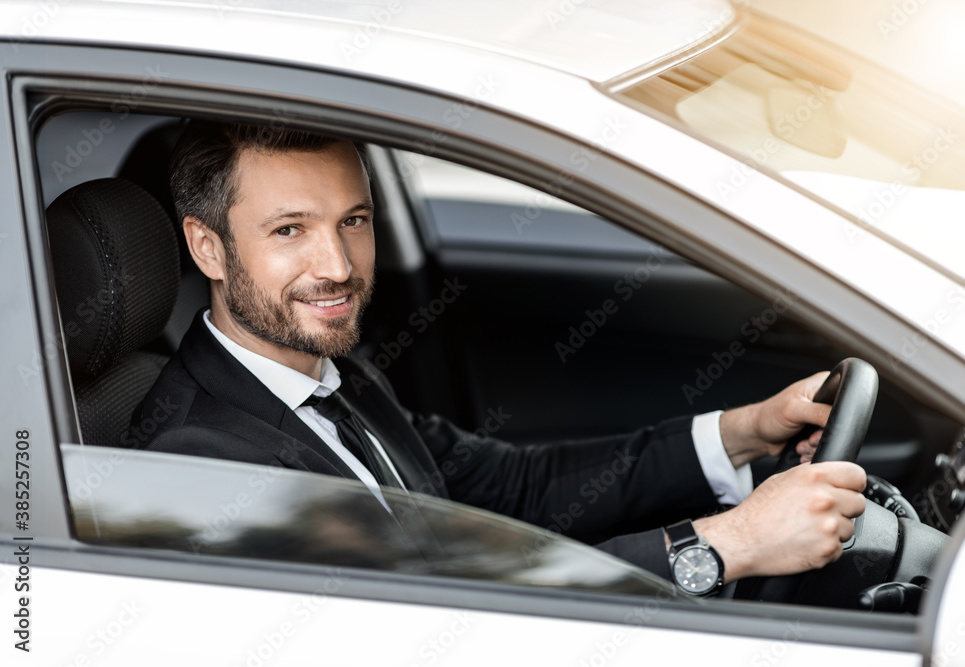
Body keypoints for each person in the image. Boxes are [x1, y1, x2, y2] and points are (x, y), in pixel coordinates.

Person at [131, 121, 866, 589]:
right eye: (289, 230)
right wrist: (726, 543)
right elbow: (443, 627)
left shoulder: (332, 378)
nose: (337, 265)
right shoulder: (204, 457)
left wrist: (745, 429)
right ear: (208, 247)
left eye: (352, 220)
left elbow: (515, 490)